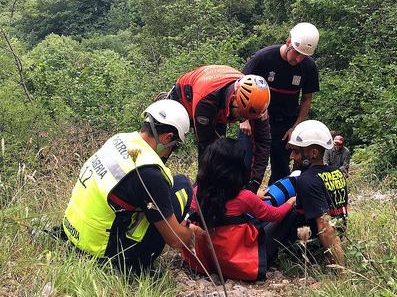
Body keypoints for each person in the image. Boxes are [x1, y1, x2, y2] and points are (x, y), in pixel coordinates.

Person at [61, 99, 205, 274]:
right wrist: (190, 232)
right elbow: (174, 240)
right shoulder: (150, 174)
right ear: (167, 138)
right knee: (182, 185)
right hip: (103, 255)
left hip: (72, 235)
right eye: (173, 146)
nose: (170, 151)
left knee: (159, 197)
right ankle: (137, 266)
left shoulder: (120, 139)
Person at [181, 138, 296, 281]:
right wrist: (290, 203)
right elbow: (274, 215)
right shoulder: (244, 197)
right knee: (288, 214)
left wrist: (254, 196)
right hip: (236, 262)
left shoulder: (197, 191)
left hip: (207, 260)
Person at [238, 22, 320, 184]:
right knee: (245, 166)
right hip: (255, 121)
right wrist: (244, 119)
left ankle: (274, 206)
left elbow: (306, 98)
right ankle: (242, 205)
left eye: (303, 56)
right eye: (296, 53)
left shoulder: (308, 67)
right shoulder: (263, 58)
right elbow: (239, 87)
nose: (298, 59)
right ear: (289, 42)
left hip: (284, 126)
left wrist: (295, 127)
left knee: (281, 171)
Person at [168, 65, 271, 193]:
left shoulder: (258, 104)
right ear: (234, 99)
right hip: (185, 98)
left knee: (220, 157)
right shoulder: (207, 102)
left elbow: (263, 143)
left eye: (249, 118)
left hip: (219, 105)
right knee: (168, 142)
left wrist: (253, 184)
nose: (243, 120)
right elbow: (206, 148)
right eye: (242, 115)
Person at [288, 120, 348, 266]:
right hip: (340, 230)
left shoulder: (307, 180)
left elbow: (325, 226)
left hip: (314, 239)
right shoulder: (337, 172)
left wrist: (340, 267)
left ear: (313, 153)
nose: (291, 156)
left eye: (296, 151)